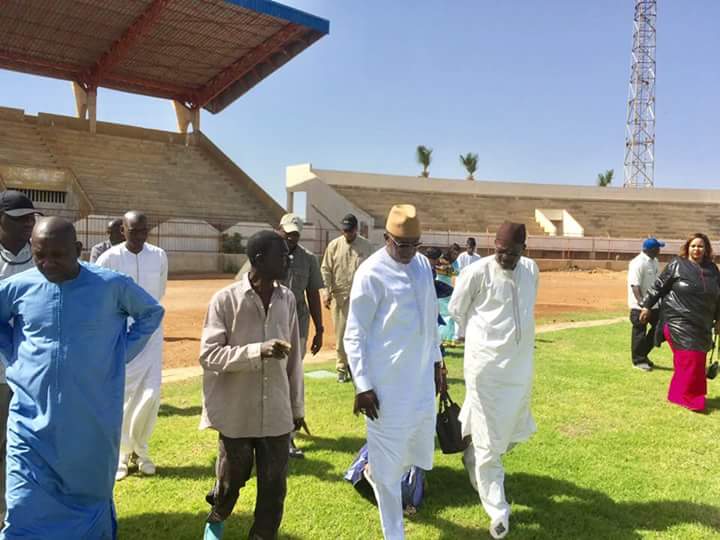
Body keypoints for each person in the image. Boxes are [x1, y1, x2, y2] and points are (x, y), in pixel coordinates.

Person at [0, 217, 163, 539]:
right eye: (39, 254)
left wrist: (119, 353)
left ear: (77, 249)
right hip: (30, 421)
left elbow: (151, 312)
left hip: (91, 420)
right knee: (22, 505)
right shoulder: (20, 286)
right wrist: (15, 354)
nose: (47, 263)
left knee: (88, 500)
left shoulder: (111, 285)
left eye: (57, 255)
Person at [345, 204, 445, 540]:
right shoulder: (371, 273)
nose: (409, 252)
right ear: (387, 238)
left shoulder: (420, 265)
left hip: (418, 386)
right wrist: (362, 385)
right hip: (384, 389)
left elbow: (430, 320)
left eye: (415, 244)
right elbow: (353, 334)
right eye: (403, 245)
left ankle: (372, 469)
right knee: (390, 473)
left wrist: (437, 363)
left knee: (414, 451)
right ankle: (394, 534)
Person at [199, 230, 303, 540]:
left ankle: (262, 535)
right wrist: (258, 350)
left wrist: (297, 407)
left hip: (276, 413)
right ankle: (217, 514)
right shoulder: (225, 300)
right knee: (232, 480)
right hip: (236, 412)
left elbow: (294, 358)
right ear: (258, 259)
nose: (288, 259)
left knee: (274, 488)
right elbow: (209, 355)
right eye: (281, 254)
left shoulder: (287, 299)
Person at [448, 222, 539, 540]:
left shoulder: (531, 269)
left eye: (513, 253)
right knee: (489, 442)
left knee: (514, 429)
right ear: (493, 246)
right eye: (501, 252)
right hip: (484, 369)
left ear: (523, 250)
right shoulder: (476, 272)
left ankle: (472, 455)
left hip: (519, 370)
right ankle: (498, 511)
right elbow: (456, 308)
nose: (506, 258)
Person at [97, 211, 168, 479]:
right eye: (133, 231)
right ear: (122, 230)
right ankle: (122, 456)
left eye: (143, 231)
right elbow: (103, 298)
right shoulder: (109, 258)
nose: (139, 236)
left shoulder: (159, 255)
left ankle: (143, 450)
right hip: (121, 336)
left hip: (151, 335)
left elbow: (159, 292)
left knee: (151, 396)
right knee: (124, 396)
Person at [639, 233, 720, 411]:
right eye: (693, 246)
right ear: (687, 248)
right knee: (690, 359)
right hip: (678, 320)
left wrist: (719, 320)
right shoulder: (677, 264)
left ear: (706, 249)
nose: (697, 249)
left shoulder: (712, 269)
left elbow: (718, 297)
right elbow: (658, 287)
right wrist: (646, 306)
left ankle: (676, 394)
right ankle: (692, 399)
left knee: (694, 361)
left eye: (700, 246)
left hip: (702, 324)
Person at [0, 191, 42, 518]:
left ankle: (29, 509)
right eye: (20, 219)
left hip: (34, 374)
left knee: (32, 446)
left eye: (31, 217)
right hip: (1, 375)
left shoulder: (43, 256)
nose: (29, 223)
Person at [276, 213, 323, 458]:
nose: (291, 238)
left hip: (299, 328)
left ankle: (289, 438)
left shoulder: (308, 259)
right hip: (271, 326)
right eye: (288, 233)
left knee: (292, 380)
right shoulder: (268, 252)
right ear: (279, 230)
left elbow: (313, 295)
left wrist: (320, 329)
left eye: (295, 234)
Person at [320, 213, 374, 383]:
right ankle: (341, 368)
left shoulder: (366, 246)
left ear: (356, 229)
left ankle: (358, 367)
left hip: (361, 297)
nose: (347, 234)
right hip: (340, 297)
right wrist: (326, 291)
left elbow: (373, 270)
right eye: (344, 231)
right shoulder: (334, 246)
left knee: (362, 334)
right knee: (341, 335)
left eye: (350, 231)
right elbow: (326, 269)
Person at [628, 238, 664, 371]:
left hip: (654, 306)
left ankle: (642, 354)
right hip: (640, 307)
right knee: (639, 332)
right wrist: (644, 306)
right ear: (651, 249)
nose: (660, 250)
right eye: (658, 248)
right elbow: (635, 286)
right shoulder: (637, 263)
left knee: (660, 329)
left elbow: (657, 284)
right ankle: (638, 361)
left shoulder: (654, 261)